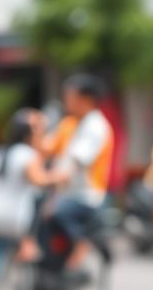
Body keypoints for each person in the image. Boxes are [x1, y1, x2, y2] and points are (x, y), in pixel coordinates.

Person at [0, 108, 62, 290]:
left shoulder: (1, 152)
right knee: (40, 209)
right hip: (17, 216)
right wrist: (58, 176)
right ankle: (27, 246)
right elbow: (39, 180)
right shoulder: (26, 154)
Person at [48, 74, 114, 272]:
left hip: (87, 195)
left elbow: (77, 161)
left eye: (71, 97)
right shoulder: (71, 123)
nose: (67, 101)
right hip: (65, 191)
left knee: (55, 213)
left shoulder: (95, 126)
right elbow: (50, 147)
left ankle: (81, 244)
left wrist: (58, 176)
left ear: (86, 100)